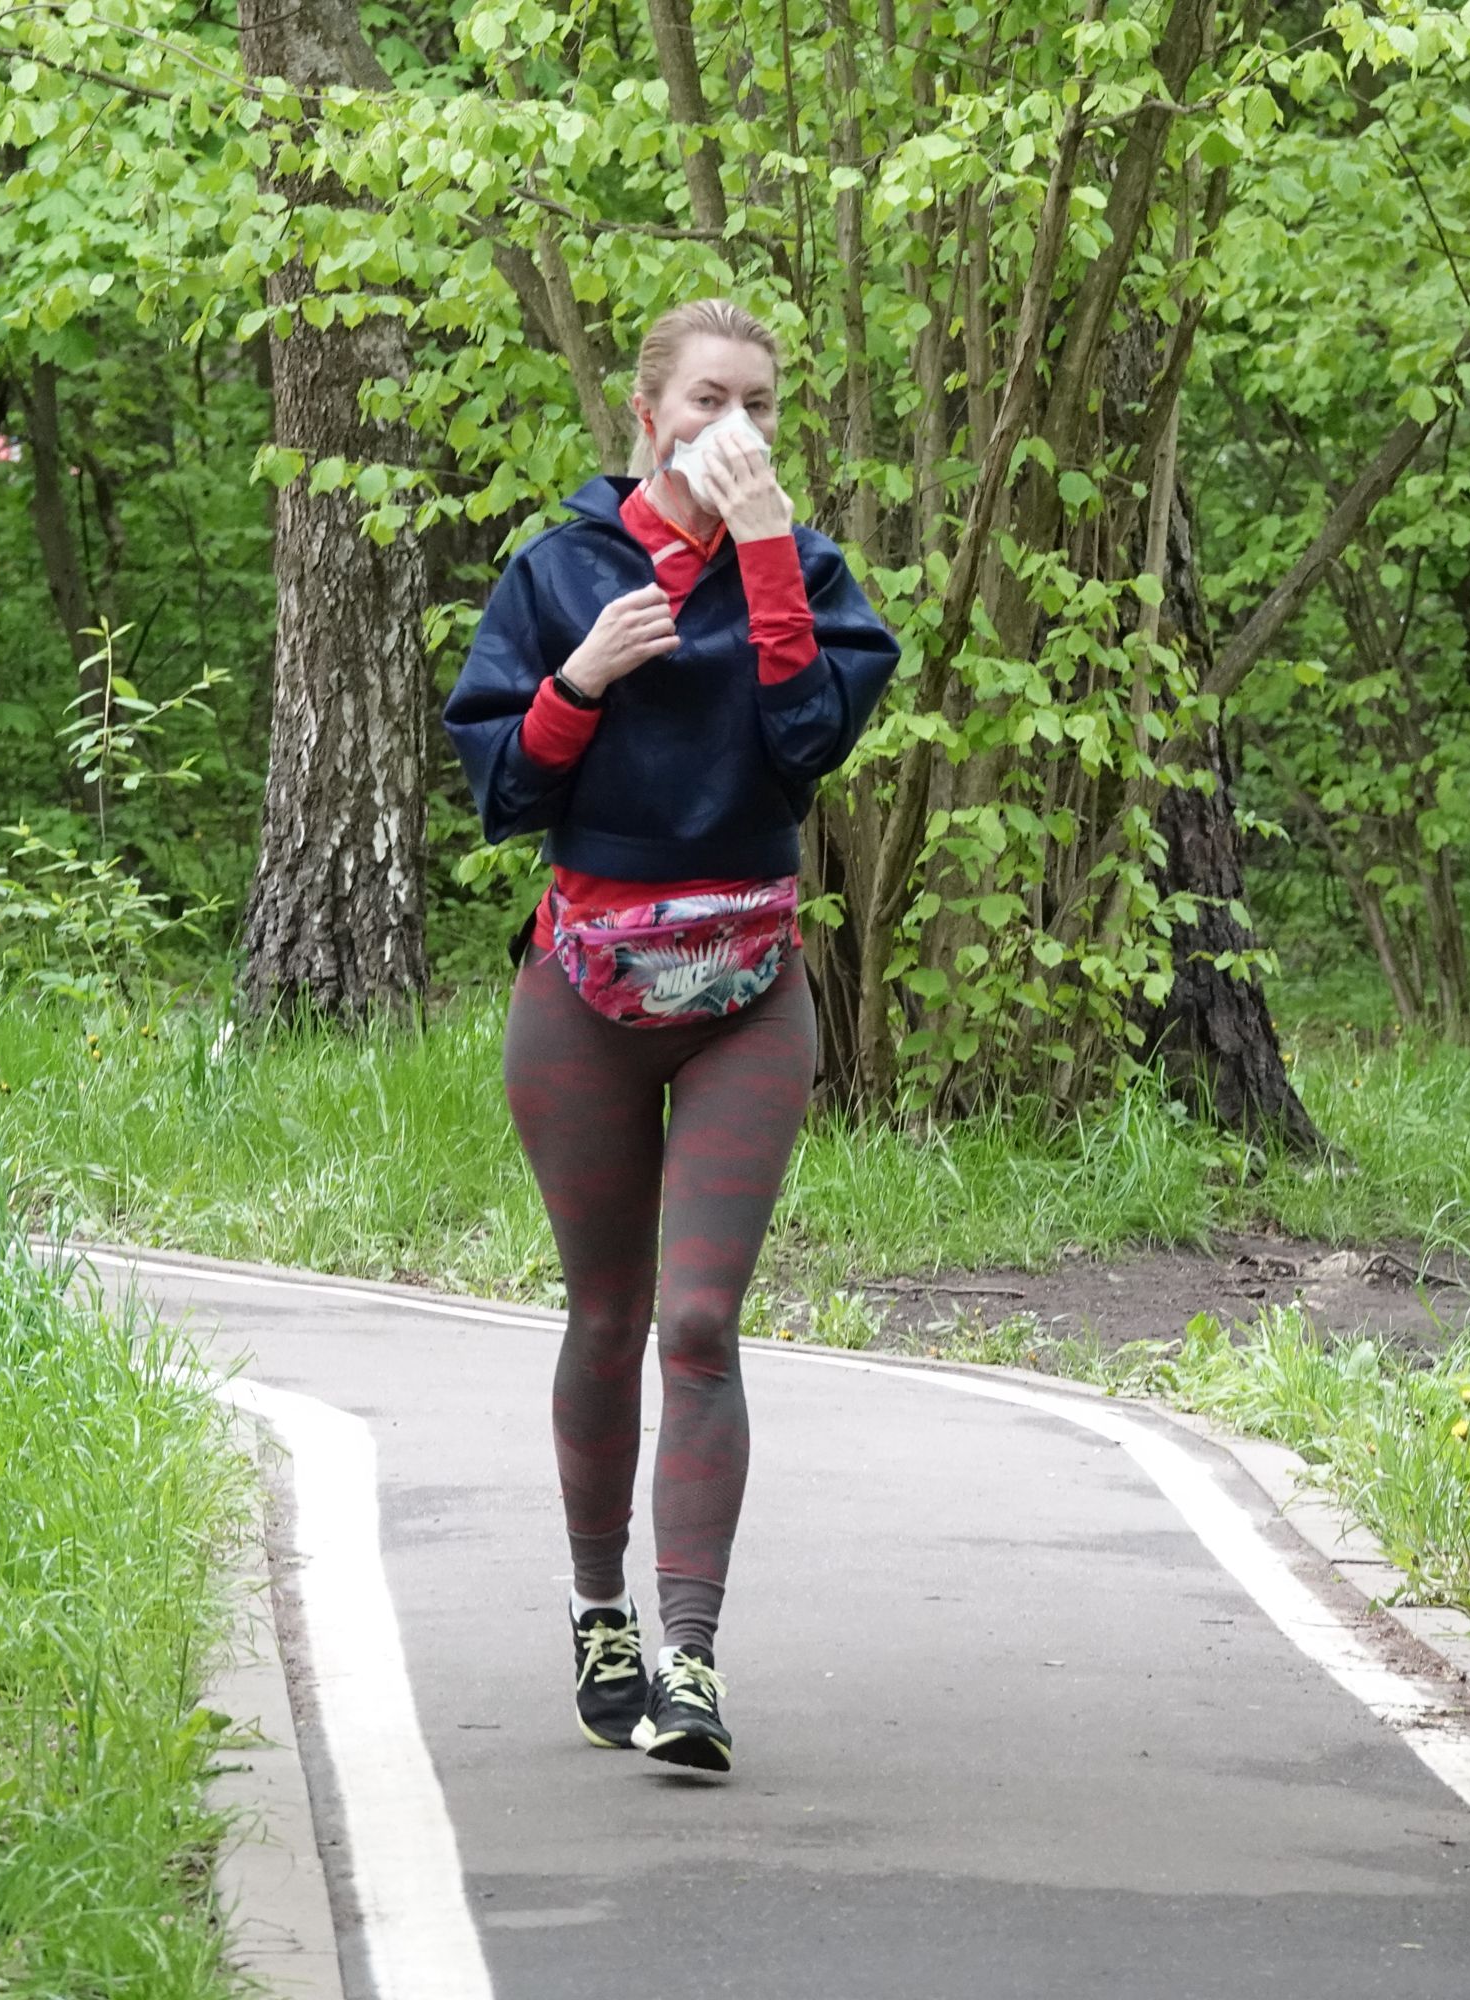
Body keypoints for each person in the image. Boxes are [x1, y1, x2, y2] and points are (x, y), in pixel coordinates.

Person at [443, 299, 900, 1773]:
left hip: (747, 994)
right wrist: (582, 680)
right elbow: (501, 792)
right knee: (608, 1317)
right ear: (647, 416)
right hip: (584, 990)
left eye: (761, 404)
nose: (739, 430)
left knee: (699, 1323)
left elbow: (809, 745)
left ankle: (690, 1667)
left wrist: (765, 561)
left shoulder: (811, 575)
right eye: (710, 400)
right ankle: (600, 1615)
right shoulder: (558, 571)